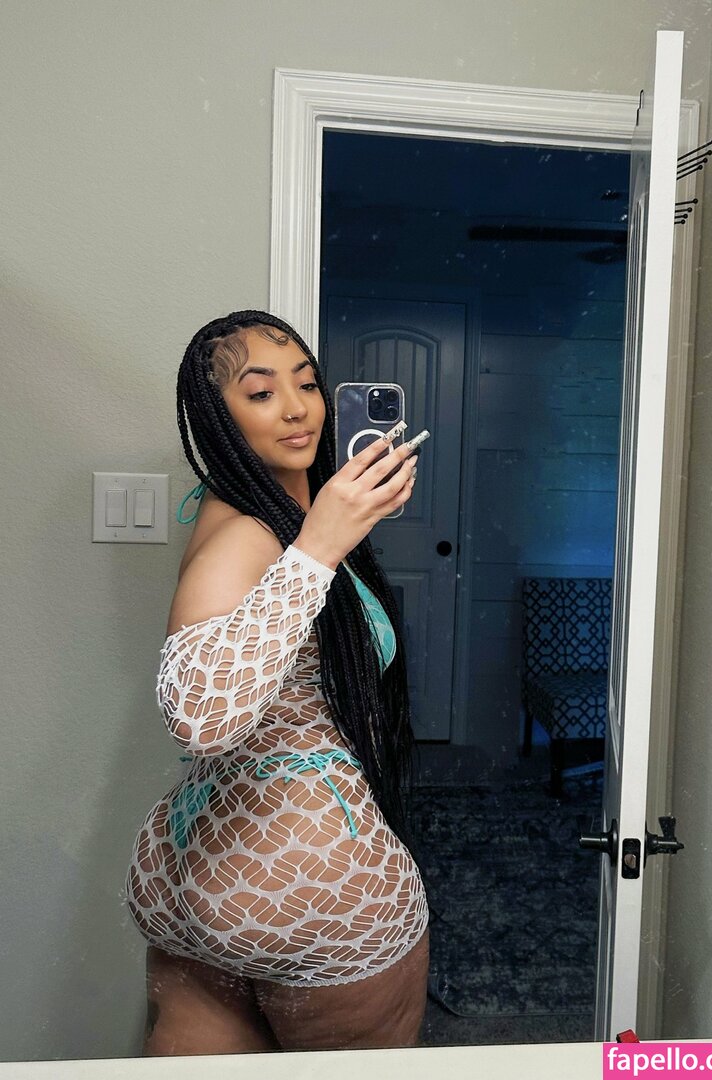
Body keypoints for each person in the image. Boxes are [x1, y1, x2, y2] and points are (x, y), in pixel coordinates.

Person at [124, 309, 429, 1055]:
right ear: (217, 417)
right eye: (260, 393)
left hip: (195, 870)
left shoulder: (247, 507)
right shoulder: (250, 532)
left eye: (308, 384)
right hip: (307, 877)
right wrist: (321, 542)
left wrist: (335, 526)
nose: (297, 409)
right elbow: (201, 717)